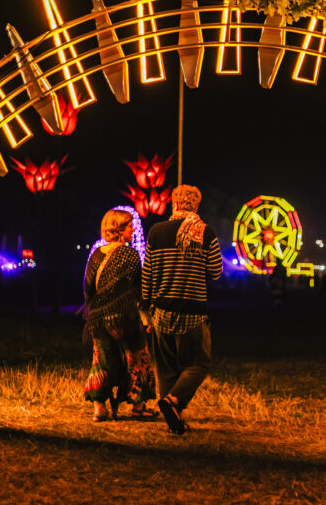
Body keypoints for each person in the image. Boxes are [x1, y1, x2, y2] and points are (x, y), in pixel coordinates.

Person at [141, 185, 223, 435]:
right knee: (198, 364)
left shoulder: (156, 231)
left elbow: (148, 274)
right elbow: (216, 272)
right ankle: (173, 402)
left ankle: (172, 415)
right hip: (193, 311)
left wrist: (146, 309)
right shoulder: (205, 233)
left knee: (166, 368)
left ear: (173, 203)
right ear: (196, 205)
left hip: (162, 309)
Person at [83, 209, 157, 422]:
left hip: (98, 319)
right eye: (129, 226)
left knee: (102, 361)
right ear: (118, 229)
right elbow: (139, 290)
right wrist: (146, 317)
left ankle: (99, 409)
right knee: (138, 359)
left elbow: (88, 288)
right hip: (124, 317)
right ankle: (138, 406)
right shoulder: (130, 255)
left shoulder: (96, 254)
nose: (134, 229)